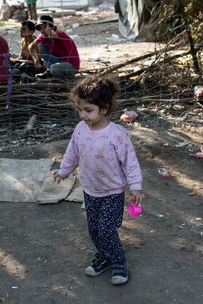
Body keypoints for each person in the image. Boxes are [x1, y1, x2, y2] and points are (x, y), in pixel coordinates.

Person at [53, 75, 144, 285]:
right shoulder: (80, 130)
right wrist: (64, 171)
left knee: (106, 229)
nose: (82, 115)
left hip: (112, 191)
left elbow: (130, 161)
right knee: (93, 229)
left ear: (103, 109)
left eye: (88, 110)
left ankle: (119, 261)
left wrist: (136, 186)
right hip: (90, 189)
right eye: (80, 110)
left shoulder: (116, 134)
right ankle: (104, 256)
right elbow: (72, 153)